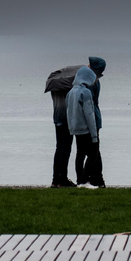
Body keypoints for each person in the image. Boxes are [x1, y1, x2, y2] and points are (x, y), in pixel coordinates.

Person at [66, 65, 103, 187]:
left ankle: (79, 180)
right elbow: (89, 115)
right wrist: (94, 136)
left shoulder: (70, 92)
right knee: (93, 153)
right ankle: (84, 180)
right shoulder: (85, 92)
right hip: (86, 129)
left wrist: (71, 128)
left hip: (75, 129)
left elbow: (68, 111)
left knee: (80, 154)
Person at [78, 56, 106, 187]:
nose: (87, 66)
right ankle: (96, 178)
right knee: (94, 151)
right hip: (94, 118)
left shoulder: (91, 83)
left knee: (93, 151)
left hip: (92, 119)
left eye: (90, 65)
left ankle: (91, 178)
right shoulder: (94, 82)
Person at [50, 77, 75, 188]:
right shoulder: (67, 89)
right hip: (66, 120)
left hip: (57, 119)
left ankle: (55, 179)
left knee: (59, 148)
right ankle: (63, 179)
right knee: (66, 149)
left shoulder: (54, 89)